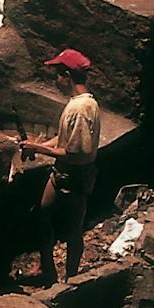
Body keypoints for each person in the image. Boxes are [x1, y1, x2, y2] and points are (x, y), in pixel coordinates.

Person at [21, 48, 102, 285]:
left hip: (74, 176)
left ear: (67, 75)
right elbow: (64, 137)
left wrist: (40, 150)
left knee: (73, 229)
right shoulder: (82, 103)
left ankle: (71, 279)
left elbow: (76, 153)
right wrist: (37, 144)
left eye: (57, 75)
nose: (55, 81)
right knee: (41, 214)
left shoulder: (80, 109)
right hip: (62, 174)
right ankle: (49, 271)